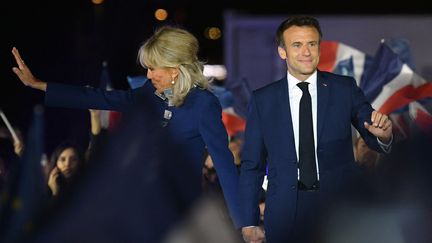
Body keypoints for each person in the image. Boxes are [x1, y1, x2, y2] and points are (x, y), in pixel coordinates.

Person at [11, 26, 244, 228]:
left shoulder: (204, 104)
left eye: (153, 68)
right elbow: (101, 97)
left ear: (174, 70)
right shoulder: (149, 94)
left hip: (178, 215)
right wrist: (40, 85)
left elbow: (224, 166)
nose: (148, 75)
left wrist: (244, 223)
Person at [239, 16, 393, 243]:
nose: (306, 52)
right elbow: (252, 165)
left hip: (339, 210)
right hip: (284, 213)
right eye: (297, 45)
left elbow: (370, 128)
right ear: (282, 51)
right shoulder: (263, 100)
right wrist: (249, 220)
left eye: (312, 44)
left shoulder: (344, 88)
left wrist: (384, 136)